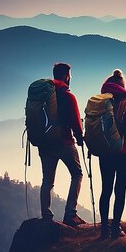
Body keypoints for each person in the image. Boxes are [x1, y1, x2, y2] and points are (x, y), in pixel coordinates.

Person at [97, 69, 126, 239]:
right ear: (122, 86)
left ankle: (103, 228)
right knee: (120, 190)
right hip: (124, 153)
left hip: (105, 152)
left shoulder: (101, 102)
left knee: (106, 189)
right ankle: (115, 228)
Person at [39, 63, 86, 227]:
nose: (70, 78)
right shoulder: (67, 96)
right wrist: (80, 138)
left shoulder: (44, 95)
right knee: (77, 174)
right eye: (70, 75)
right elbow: (75, 120)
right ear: (66, 76)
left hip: (44, 144)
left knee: (47, 180)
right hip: (64, 142)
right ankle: (70, 214)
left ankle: (46, 215)